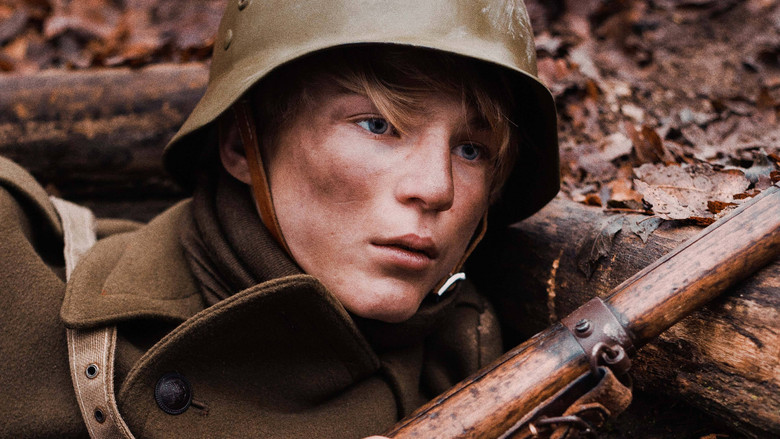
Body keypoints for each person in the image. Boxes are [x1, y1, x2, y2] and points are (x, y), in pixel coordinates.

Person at [0, 0, 558, 437]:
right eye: (377, 125)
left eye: (471, 150)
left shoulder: (486, 370)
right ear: (242, 146)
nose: (436, 189)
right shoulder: (17, 266)